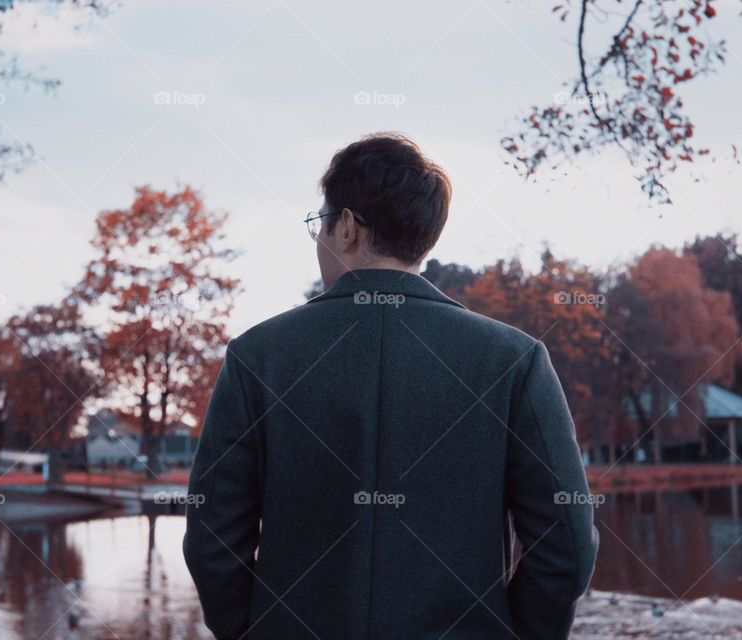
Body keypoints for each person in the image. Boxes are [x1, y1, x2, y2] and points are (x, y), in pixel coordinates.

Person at [183, 133, 598, 640]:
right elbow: (567, 544)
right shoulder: (513, 359)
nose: (318, 240)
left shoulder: (258, 356)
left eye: (319, 223)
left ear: (347, 227)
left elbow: (212, 541)